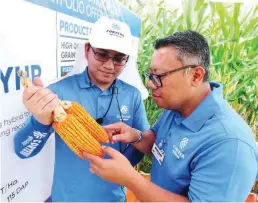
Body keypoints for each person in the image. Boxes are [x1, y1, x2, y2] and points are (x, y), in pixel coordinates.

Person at [84, 30, 258, 202]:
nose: (150, 84)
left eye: (159, 76)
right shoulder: (175, 107)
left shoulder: (230, 144)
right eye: (150, 75)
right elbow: (157, 141)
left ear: (196, 76)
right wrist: (135, 136)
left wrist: (131, 179)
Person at [13, 17, 149, 202]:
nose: (109, 66)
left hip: (113, 198)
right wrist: (40, 121)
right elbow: (23, 150)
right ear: (87, 50)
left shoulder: (132, 95)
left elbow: (142, 144)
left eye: (119, 59)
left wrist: (118, 168)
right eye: (101, 54)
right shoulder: (58, 92)